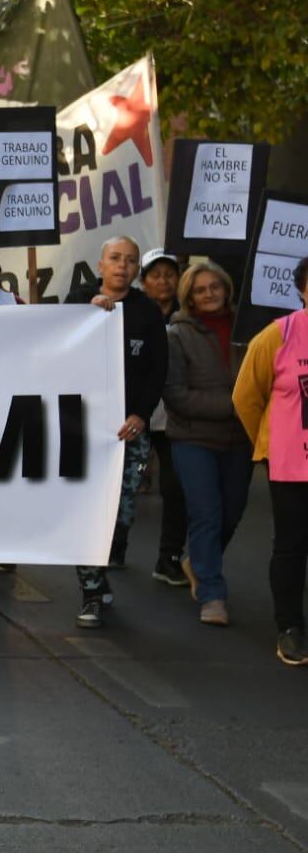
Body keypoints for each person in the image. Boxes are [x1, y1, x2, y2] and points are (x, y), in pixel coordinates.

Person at [67, 236, 168, 628]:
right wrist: (87, 314)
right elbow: (56, 342)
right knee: (88, 512)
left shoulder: (147, 312)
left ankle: (100, 573)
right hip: (83, 429)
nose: (122, 266)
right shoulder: (78, 300)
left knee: (120, 516)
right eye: (115, 259)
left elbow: (157, 368)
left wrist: (142, 414)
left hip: (128, 433)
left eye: (129, 260)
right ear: (100, 265)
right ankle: (91, 592)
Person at [163, 262, 251, 627]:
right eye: (201, 289)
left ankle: (197, 562)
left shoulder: (249, 329)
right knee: (207, 514)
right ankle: (212, 594)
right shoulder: (177, 335)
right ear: (189, 297)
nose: (210, 293)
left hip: (240, 440)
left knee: (231, 514)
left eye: (216, 286)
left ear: (227, 289)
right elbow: (177, 396)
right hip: (193, 439)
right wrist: (235, 404)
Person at [233, 256, 308, 665]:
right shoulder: (278, 336)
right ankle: (290, 628)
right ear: (301, 289)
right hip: (292, 466)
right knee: (292, 548)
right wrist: (269, 443)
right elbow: (246, 397)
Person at [138, 248, 188, 585]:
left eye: (170, 274)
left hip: (172, 418)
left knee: (175, 488)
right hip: (136, 413)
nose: (163, 281)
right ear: (143, 281)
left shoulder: (188, 318)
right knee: (120, 487)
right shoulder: (131, 313)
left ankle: (168, 557)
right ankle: (110, 548)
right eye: (155, 274)